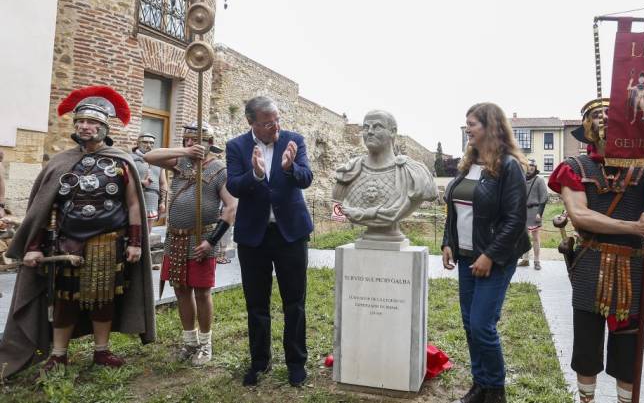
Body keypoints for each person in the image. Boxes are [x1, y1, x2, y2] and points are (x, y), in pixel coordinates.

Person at [0, 86, 155, 378]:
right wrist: (34, 245)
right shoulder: (60, 162)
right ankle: (59, 354)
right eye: (80, 121)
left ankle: (101, 350)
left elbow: (134, 204)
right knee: (64, 299)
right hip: (66, 243)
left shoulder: (122, 161)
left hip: (109, 243)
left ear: (104, 127)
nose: (85, 126)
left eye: (92, 122)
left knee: (103, 298)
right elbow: (43, 209)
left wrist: (135, 242)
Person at [548, 97, 644, 403]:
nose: (605, 122)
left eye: (612, 116)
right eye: (597, 116)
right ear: (586, 127)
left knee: (629, 354)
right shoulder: (574, 167)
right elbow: (580, 215)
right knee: (586, 349)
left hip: (632, 271)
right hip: (591, 266)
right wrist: (632, 228)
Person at [441, 102, 531, 403]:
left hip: (496, 258)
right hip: (466, 256)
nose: (468, 128)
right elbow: (454, 209)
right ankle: (480, 386)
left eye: (473, 124)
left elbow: (515, 220)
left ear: (490, 127)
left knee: (481, 324)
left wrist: (490, 255)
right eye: (467, 123)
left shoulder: (509, 166)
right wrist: (447, 242)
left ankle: (495, 392)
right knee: (469, 324)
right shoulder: (468, 164)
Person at [225, 96, 313, 387]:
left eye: (276, 120)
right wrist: (256, 174)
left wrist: (288, 169)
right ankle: (260, 362)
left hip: (291, 234)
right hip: (254, 236)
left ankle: (296, 363)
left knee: (295, 302)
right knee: (257, 304)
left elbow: (306, 178)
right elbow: (234, 185)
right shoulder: (236, 146)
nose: (275, 126)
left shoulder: (293, 140)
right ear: (251, 123)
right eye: (267, 123)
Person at [144, 122, 237, 366]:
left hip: (201, 239)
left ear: (209, 142)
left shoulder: (219, 170)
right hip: (175, 239)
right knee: (180, 290)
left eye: (195, 140)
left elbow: (231, 207)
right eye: (186, 139)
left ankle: (206, 344)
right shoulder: (180, 163)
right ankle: (190, 341)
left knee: (202, 292)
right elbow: (149, 155)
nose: (190, 143)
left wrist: (211, 241)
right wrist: (185, 152)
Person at [332, 110, 437, 242]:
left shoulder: (414, 173)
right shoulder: (347, 172)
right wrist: (339, 215)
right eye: (366, 127)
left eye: (377, 126)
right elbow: (338, 211)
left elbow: (430, 194)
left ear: (393, 131)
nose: (369, 131)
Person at [131, 132, 167, 231]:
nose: (149, 145)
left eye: (151, 143)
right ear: (138, 143)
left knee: (147, 232)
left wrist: (163, 202)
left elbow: (163, 183)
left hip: (152, 199)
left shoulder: (158, 161)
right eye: (145, 142)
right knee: (133, 233)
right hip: (134, 198)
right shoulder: (130, 159)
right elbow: (124, 180)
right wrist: (141, 183)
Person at [517, 159, 548, 270]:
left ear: (535, 168)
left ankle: (536, 260)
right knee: (524, 237)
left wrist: (539, 213)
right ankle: (525, 259)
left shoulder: (539, 180)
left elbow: (544, 197)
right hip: (522, 212)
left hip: (534, 211)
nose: (530, 168)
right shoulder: (521, 179)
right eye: (529, 166)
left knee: (535, 237)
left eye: (532, 166)